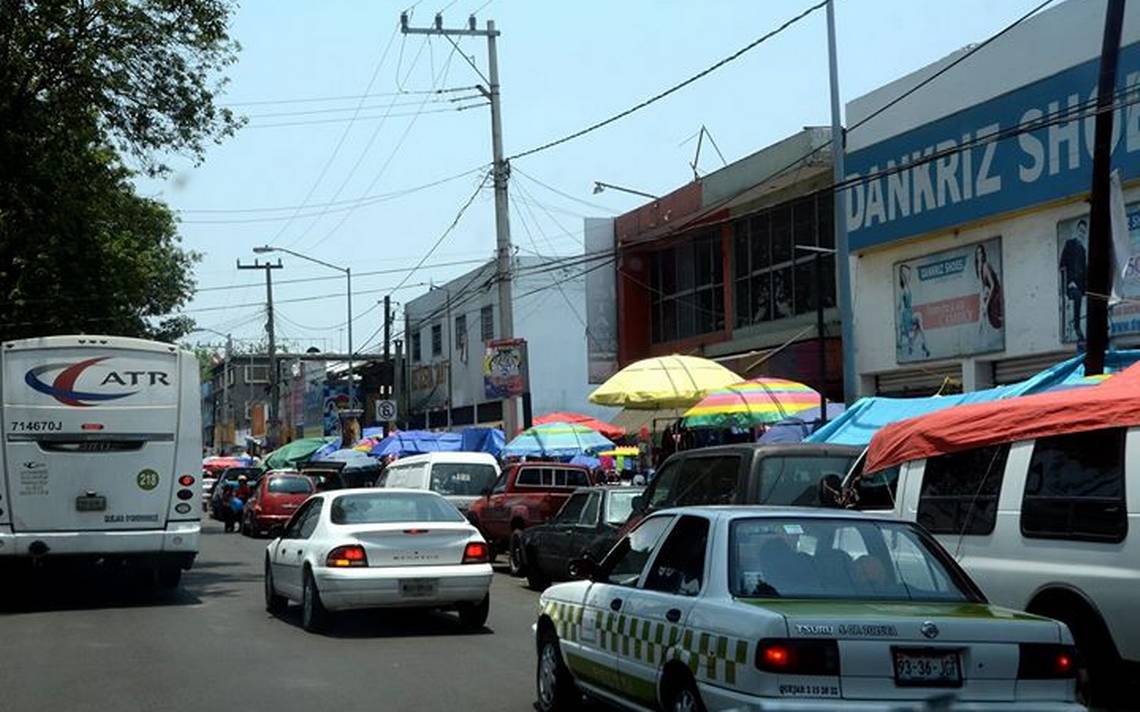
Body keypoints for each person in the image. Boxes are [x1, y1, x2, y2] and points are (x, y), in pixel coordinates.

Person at [1059, 218, 1088, 341]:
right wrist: (1069, 281)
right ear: (1077, 230)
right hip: (1070, 285)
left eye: (1084, 232)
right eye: (1080, 230)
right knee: (1077, 296)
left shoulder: (1083, 250)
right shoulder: (1069, 244)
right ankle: (1077, 326)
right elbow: (1062, 265)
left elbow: (1085, 271)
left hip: (1081, 286)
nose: (1082, 233)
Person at [897, 264, 930, 358]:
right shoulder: (902, 291)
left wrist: (906, 268)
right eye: (904, 276)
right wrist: (900, 322)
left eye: (906, 275)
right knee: (918, 320)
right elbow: (899, 306)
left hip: (910, 312)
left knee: (919, 324)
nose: (906, 277)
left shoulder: (908, 287)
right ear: (902, 278)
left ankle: (922, 345)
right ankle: (920, 345)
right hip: (906, 316)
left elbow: (909, 274)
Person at [975, 243, 1004, 335]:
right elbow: (982, 286)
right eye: (978, 253)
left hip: (995, 296)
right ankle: (980, 336)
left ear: (984, 254)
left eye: (982, 253)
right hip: (986, 295)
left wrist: (987, 303)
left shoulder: (986, 266)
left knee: (993, 321)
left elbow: (993, 285)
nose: (980, 255)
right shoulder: (978, 268)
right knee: (981, 319)